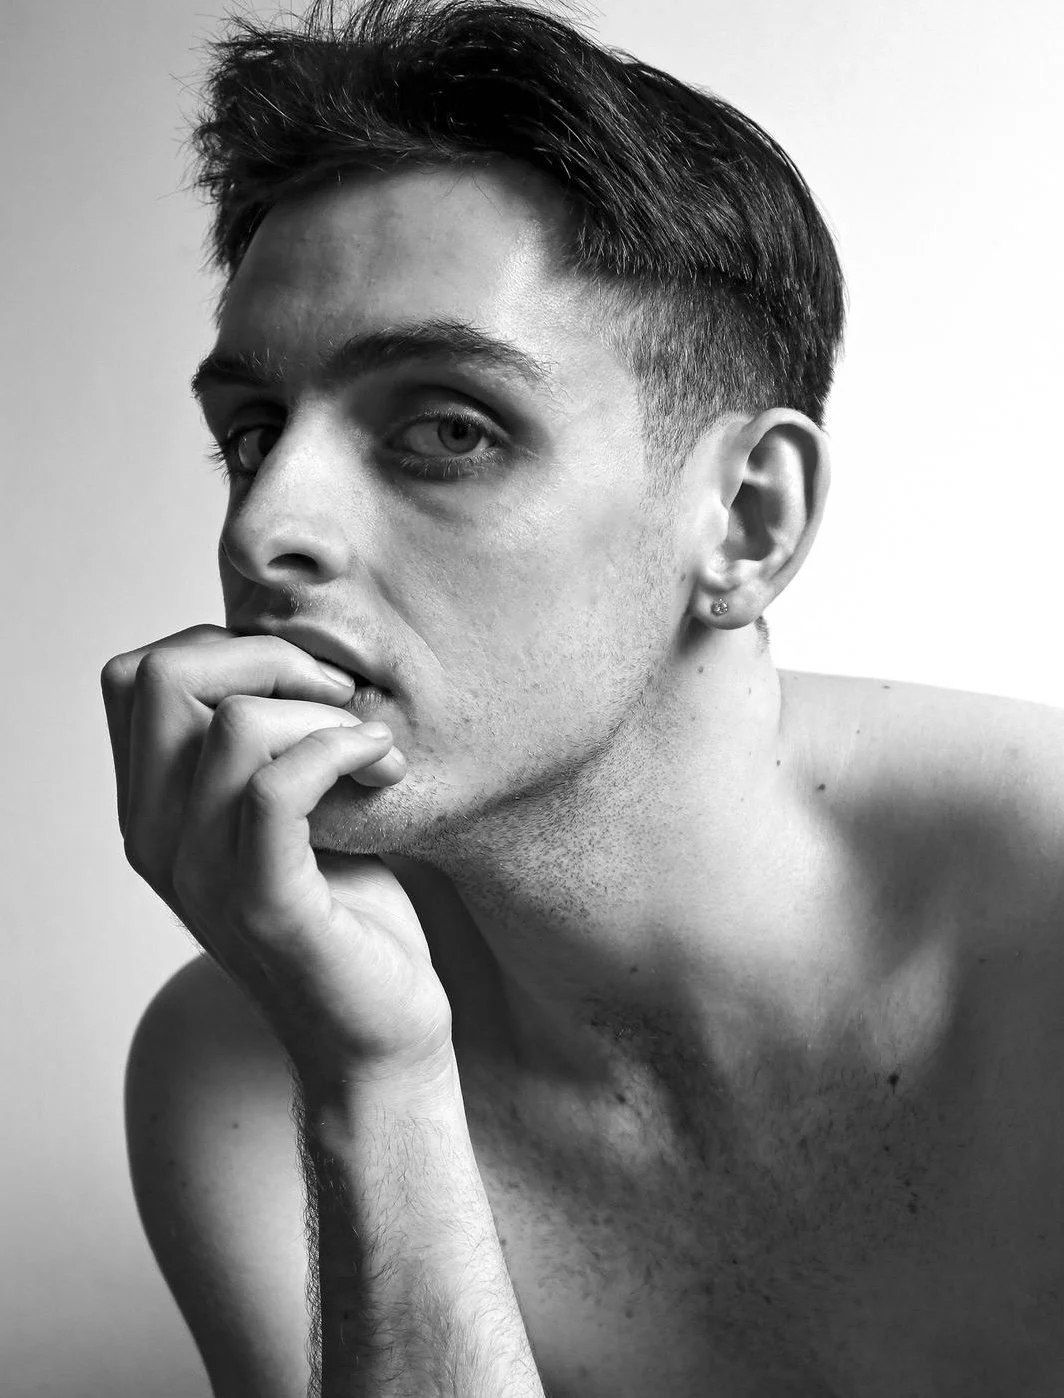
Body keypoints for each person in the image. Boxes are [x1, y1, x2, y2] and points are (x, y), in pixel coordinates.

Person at [102, 0, 1064, 1394]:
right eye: (253, 435)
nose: (264, 533)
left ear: (745, 520)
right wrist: (376, 1083)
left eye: (447, 425)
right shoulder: (244, 1063)